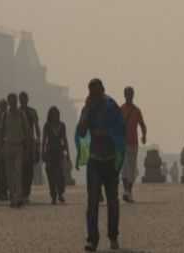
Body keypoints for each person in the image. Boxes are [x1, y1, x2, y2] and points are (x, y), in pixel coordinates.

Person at [76, 78, 127, 252]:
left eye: (98, 93)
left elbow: (121, 128)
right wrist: (87, 111)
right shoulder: (88, 109)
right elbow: (81, 131)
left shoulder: (112, 106)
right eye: (92, 94)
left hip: (110, 160)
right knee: (92, 201)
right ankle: (92, 239)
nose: (96, 97)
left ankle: (113, 235)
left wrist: (105, 132)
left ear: (103, 90)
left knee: (112, 200)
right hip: (94, 161)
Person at [0, 93, 30, 208]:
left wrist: (27, 148)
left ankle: (19, 197)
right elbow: (1, 131)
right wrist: (0, 147)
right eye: (11, 102)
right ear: (8, 103)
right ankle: (12, 198)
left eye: (14, 102)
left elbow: (26, 131)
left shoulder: (21, 115)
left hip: (18, 146)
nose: (13, 104)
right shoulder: (5, 116)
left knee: (18, 172)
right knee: (9, 174)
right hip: (7, 146)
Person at [120, 86, 147, 203]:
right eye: (128, 94)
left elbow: (142, 125)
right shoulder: (120, 109)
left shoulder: (137, 110)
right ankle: (126, 191)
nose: (129, 96)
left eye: (131, 94)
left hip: (133, 143)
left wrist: (144, 136)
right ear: (124, 95)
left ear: (133, 95)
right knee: (124, 167)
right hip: (122, 143)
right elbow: (115, 125)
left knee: (131, 168)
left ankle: (129, 192)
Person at [42, 106, 70, 204]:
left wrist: (68, 154)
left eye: (56, 115)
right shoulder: (47, 125)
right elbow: (44, 139)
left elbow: (65, 140)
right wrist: (43, 152)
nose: (55, 117)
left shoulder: (62, 125)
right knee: (51, 175)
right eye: (53, 115)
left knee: (59, 174)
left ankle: (60, 193)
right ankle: (53, 196)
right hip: (50, 153)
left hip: (59, 153)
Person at [18, 91, 40, 203]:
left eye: (24, 98)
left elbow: (36, 126)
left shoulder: (32, 112)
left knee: (29, 169)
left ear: (27, 99)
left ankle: (26, 192)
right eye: (21, 99)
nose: (23, 101)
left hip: (30, 143)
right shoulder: (15, 112)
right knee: (19, 168)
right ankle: (20, 191)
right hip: (18, 143)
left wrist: (38, 140)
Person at [0, 98, 8, 201]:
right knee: (1, 170)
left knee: (7, 170)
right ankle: (1, 192)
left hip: (8, 146)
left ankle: (5, 191)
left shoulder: (9, 117)